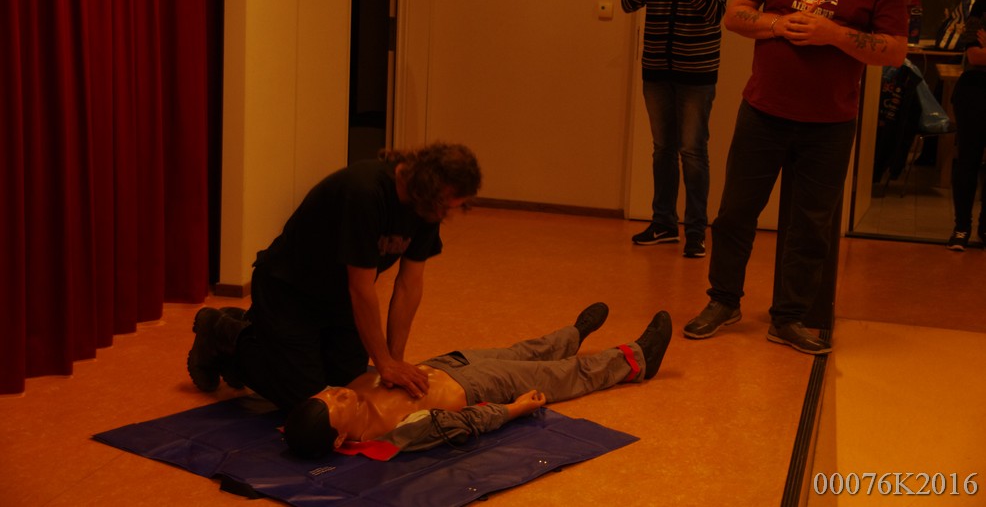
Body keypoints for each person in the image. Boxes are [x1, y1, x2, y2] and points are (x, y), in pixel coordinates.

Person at [683, 0, 908, 354]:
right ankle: (723, 301)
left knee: (810, 225)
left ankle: (789, 317)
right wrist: (776, 24)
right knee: (736, 213)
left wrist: (835, 35)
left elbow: (894, 51)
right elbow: (735, 15)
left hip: (830, 123)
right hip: (763, 111)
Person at [187, 142, 483, 411]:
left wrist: (394, 360)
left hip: (339, 299)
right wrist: (383, 362)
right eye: (444, 205)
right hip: (288, 292)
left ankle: (262, 333)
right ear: (427, 186)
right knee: (310, 402)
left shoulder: (427, 207)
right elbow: (360, 288)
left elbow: (409, 285)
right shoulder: (365, 192)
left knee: (347, 390)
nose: (444, 214)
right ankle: (222, 332)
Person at [282, 303, 672, 460]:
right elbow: (463, 424)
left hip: (447, 363)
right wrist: (514, 409)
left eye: (329, 394)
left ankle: (570, 336)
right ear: (339, 439)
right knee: (559, 375)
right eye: (338, 404)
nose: (340, 393)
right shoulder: (392, 435)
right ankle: (637, 359)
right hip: (476, 387)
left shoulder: (345, 395)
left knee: (525, 350)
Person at [621, 0, 729, 257]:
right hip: (656, 70)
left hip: (697, 72)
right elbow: (627, 3)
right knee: (662, 150)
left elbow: (715, 12)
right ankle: (663, 224)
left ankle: (696, 231)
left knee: (693, 152)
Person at [946, 3, 986, 251]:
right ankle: (961, 227)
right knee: (967, 161)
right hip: (974, 93)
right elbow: (975, 57)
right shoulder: (981, 8)